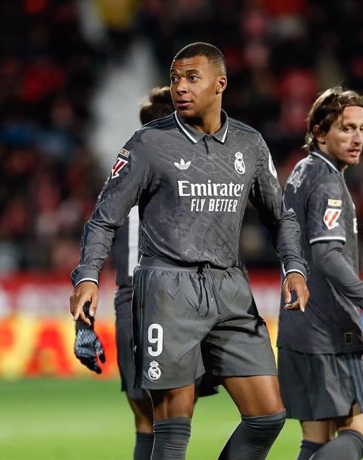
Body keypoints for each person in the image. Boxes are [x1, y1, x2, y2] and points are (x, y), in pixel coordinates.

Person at [69, 42, 309, 460]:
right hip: (168, 289)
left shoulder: (249, 145)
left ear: (220, 84)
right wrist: (88, 276)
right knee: (174, 425)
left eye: (191, 78)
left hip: (230, 288)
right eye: (175, 78)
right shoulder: (148, 144)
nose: (179, 87)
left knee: (268, 415)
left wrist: (294, 266)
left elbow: (280, 216)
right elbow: (104, 218)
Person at [73, 86, 218, 460]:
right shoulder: (191, 176)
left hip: (130, 299)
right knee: (176, 415)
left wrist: (83, 323)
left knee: (145, 419)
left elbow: (97, 234)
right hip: (173, 297)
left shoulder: (121, 178)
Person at [277, 87, 363, 460]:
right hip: (332, 329)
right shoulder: (329, 179)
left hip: (296, 326)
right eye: (347, 128)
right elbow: (328, 255)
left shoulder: (301, 171)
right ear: (319, 132)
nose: (358, 137)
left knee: (316, 439)